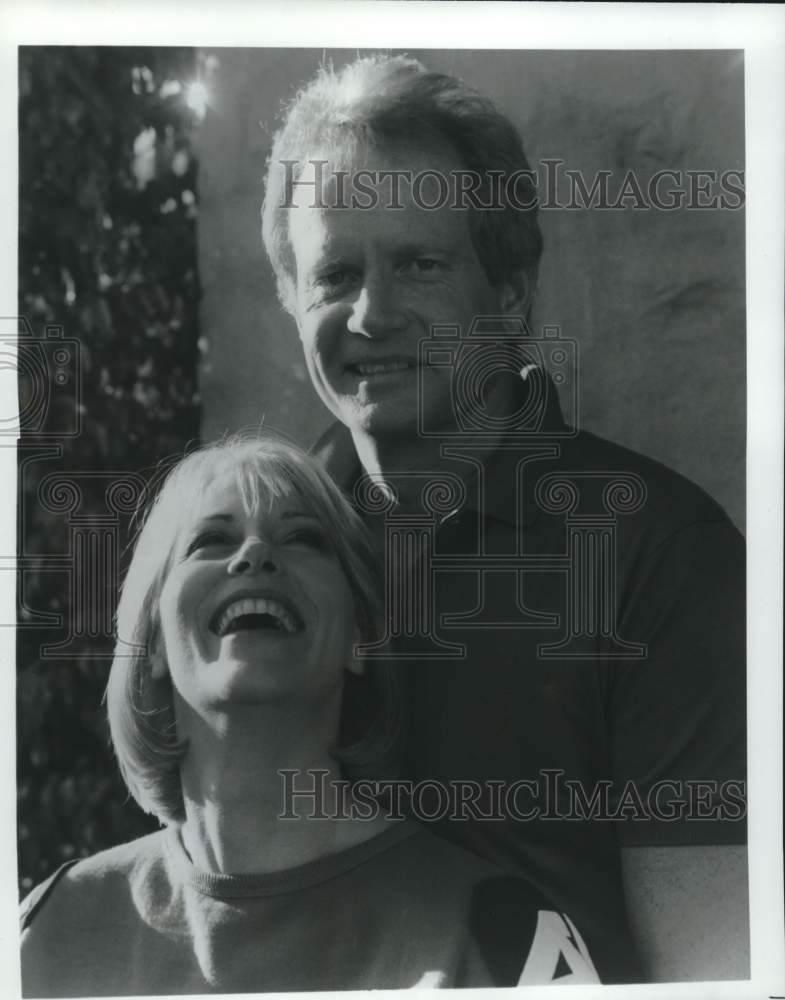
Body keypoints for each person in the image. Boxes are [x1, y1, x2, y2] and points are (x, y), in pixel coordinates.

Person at [260, 55, 748, 983]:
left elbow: (712, 974)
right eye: (334, 273)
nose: (372, 312)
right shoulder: (262, 558)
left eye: (419, 263)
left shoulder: (666, 564)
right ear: (292, 299)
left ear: (512, 293)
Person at [20, 436, 600, 995]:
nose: (254, 555)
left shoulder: (507, 934)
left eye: (301, 537)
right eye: (211, 541)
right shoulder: (46, 931)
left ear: (361, 637)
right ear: (152, 649)